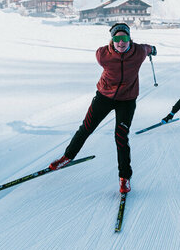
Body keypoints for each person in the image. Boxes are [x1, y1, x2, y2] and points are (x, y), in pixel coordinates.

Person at [48, 23, 156, 194]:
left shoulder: (139, 52)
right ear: (111, 41)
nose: (121, 42)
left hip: (127, 100)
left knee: (121, 136)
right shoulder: (102, 55)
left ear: (130, 39)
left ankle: (125, 177)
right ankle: (67, 157)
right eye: (117, 39)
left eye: (125, 38)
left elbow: (148, 48)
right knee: (86, 128)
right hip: (104, 97)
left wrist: (153, 49)